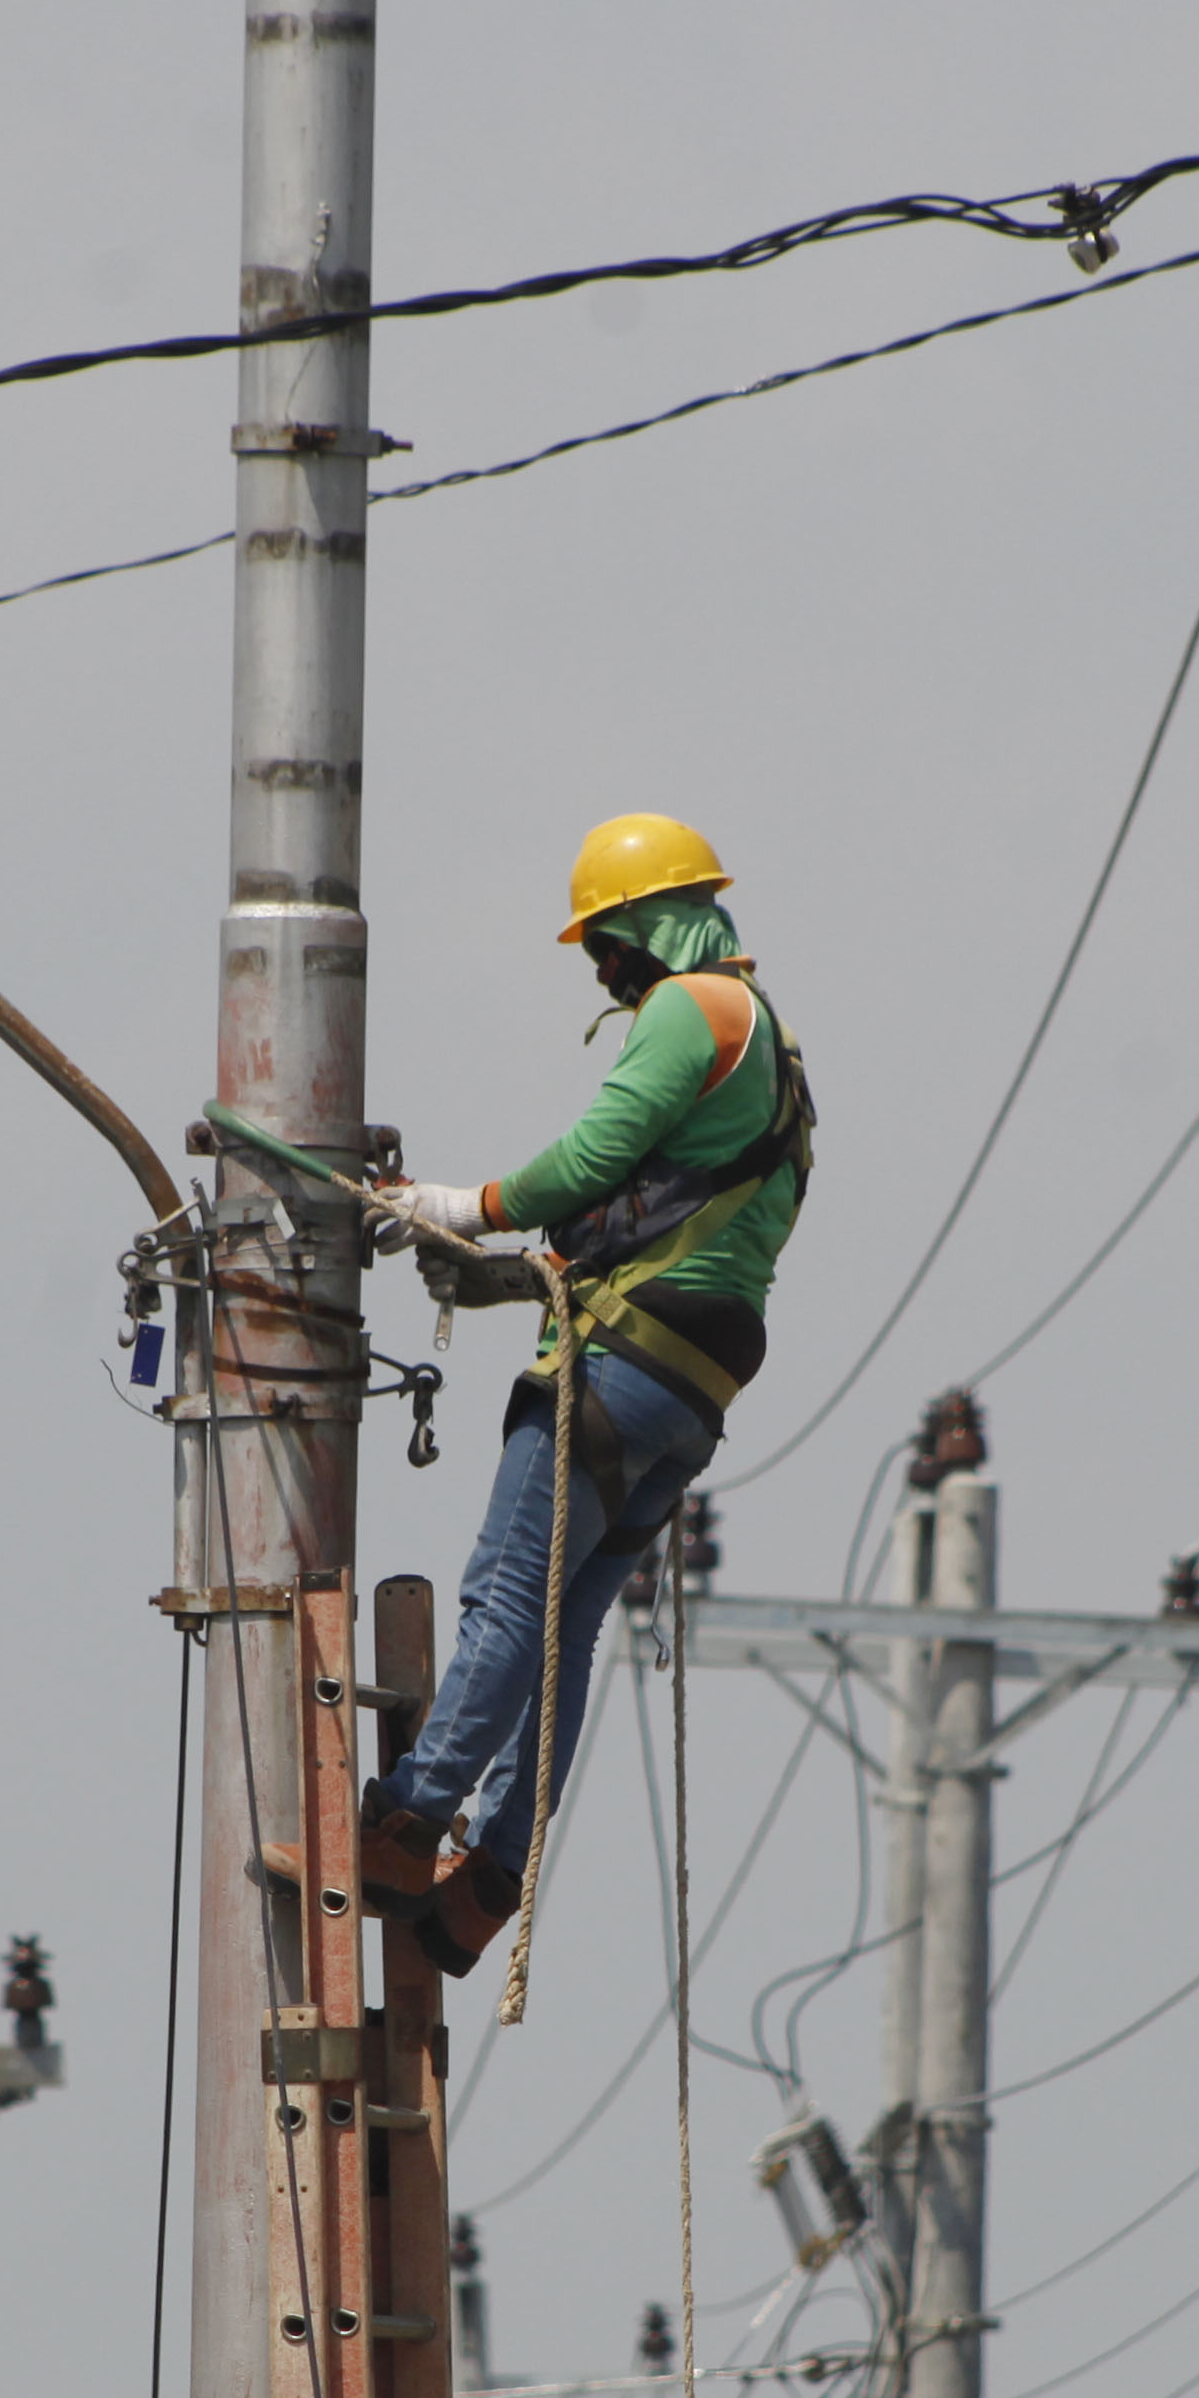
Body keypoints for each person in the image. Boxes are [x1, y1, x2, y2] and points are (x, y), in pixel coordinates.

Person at [363, 811, 814, 1968]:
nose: (607, 976)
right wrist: (512, 1274)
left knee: (510, 1600)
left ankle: (408, 1822)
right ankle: (489, 1883)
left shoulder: (697, 1008)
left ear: (648, 922)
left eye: (607, 947)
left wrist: (460, 1206)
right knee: (566, 1629)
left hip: (619, 1367)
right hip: (692, 1396)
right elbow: (653, 1220)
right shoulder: (772, 1054)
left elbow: (588, 1161)